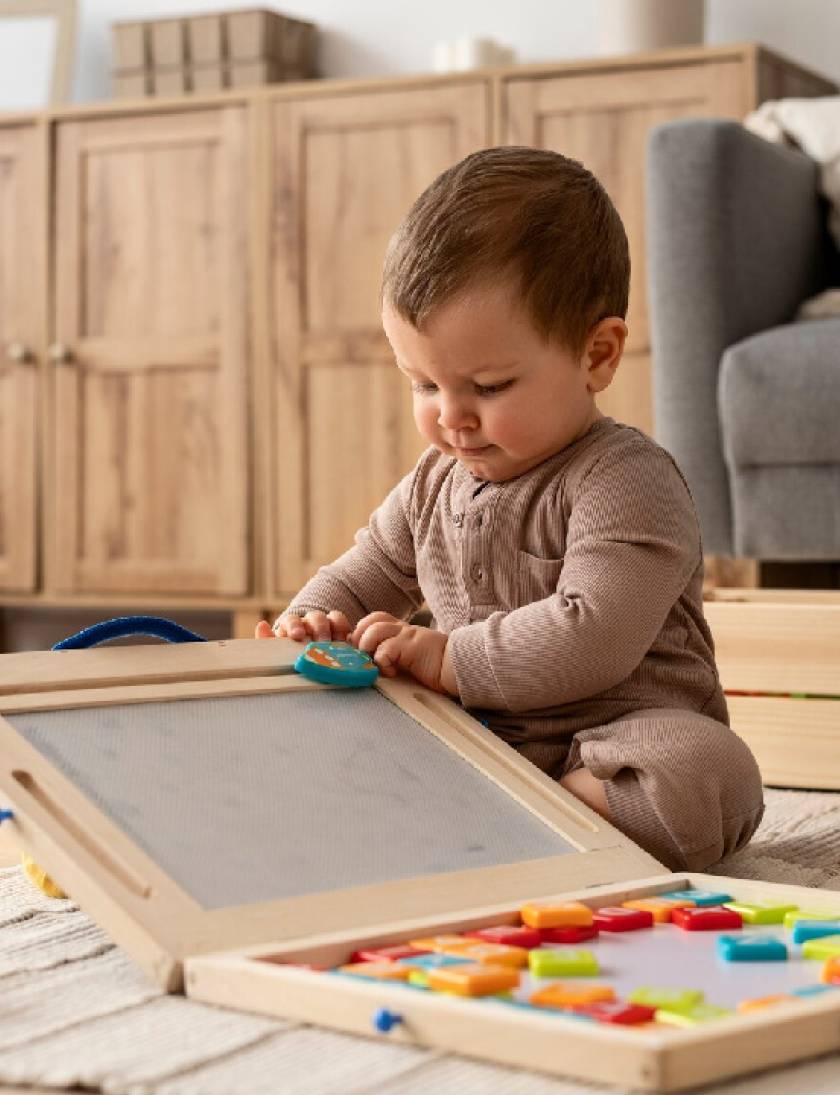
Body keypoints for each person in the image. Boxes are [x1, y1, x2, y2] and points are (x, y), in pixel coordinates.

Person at [256, 145, 764, 871]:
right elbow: (366, 569)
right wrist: (309, 622)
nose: (450, 417)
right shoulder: (434, 482)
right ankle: (507, 821)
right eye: (424, 385)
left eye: (489, 387)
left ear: (597, 355)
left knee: (704, 770)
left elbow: (594, 633)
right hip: (480, 739)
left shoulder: (627, 478)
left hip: (616, 742)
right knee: (344, 736)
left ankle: (541, 821)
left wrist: (448, 656)